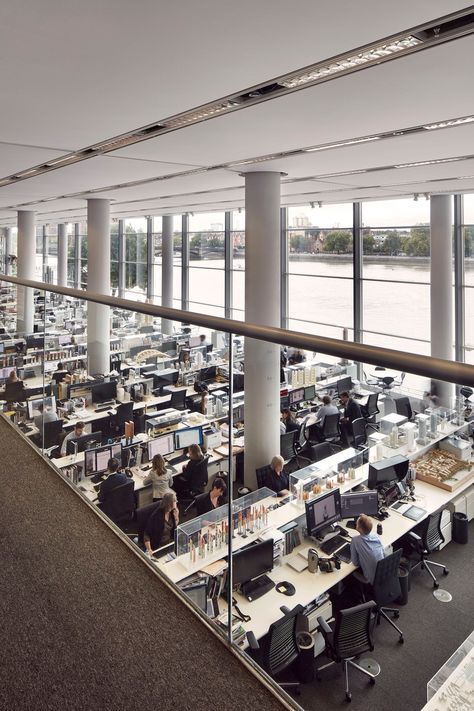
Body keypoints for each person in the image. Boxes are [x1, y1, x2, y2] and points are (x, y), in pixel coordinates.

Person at [350, 514, 385, 584]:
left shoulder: (355, 540)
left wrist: (364, 559)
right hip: (383, 575)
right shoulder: (376, 536)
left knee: (349, 576)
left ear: (359, 528)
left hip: (372, 580)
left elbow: (355, 563)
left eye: (357, 523)